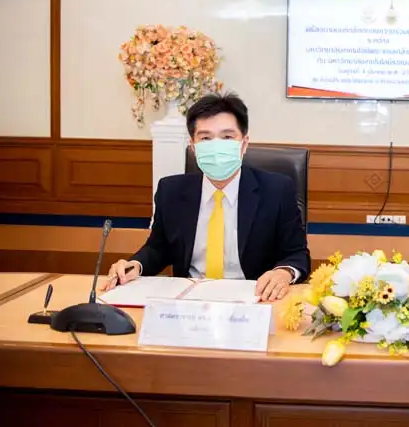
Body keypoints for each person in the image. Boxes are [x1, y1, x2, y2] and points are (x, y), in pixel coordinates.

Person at [103, 92, 311, 301]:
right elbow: (158, 248)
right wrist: (135, 265)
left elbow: (297, 254)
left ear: (244, 144)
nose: (216, 147)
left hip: (254, 298)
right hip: (189, 301)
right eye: (205, 138)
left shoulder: (276, 190)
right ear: (193, 147)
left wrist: (284, 273)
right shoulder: (171, 191)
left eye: (227, 137)